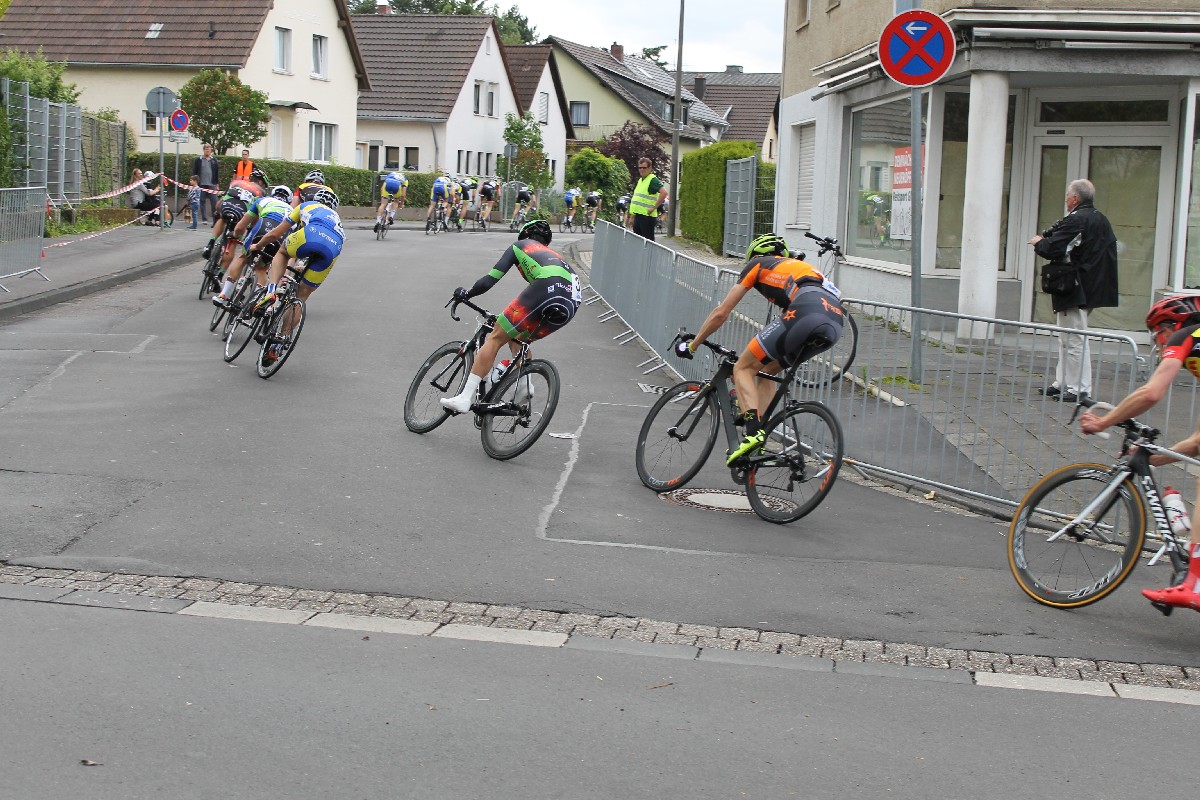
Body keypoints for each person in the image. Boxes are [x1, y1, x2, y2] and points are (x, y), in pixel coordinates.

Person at [675, 233, 845, 465]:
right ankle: (759, 437)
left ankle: (753, 434)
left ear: (756, 255)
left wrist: (693, 345)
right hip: (834, 323)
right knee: (766, 371)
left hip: (807, 312)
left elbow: (721, 313)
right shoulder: (799, 269)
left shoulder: (758, 264)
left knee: (742, 368)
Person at [1080, 294, 1200, 612]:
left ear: (1171, 325)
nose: (1158, 341)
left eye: (1157, 331)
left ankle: (1195, 583)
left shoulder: (1186, 335)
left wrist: (1103, 421)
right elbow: (1197, 442)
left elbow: (1151, 392)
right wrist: (1151, 458)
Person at [440, 219, 581, 414]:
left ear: (525, 235)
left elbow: (488, 281)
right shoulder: (554, 257)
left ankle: (464, 398)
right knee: (518, 338)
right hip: (572, 302)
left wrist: (467, 293)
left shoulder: (520, 246)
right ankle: (525, 385)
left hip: (547, 287)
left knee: (496, 336)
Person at [1028, 178, 1119, 403]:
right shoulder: (1100, 219)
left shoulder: (1078, 219)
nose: (1066, 200)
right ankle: (1063, 382)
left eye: (1068, 196)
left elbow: (1053, 248)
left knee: (1074, 339)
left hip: (1075, 286)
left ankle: (1079, 388)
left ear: (1075, 198)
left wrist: (1039, 242)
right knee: (1068, 337)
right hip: (1092, 286)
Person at [249, 188, 345, 364]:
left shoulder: (306, 205)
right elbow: (322, 247)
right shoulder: (337, 220)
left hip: (311, 234)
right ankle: (277, 345)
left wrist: (258, 245)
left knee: (282, 252)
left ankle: (271, 292)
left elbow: (275, 234)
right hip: (334, 246)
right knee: (301, 297)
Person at [212, 185, 293, 307]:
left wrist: (235, 235)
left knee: (243, 257)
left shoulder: (263, 200)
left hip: (263, 226)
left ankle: (223, 295)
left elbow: (241, 226)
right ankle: (254, 301)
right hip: (281, 236)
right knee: (262, 268)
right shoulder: (292, 210)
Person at [201, 167, 268, 261]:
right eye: (264, 186)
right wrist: (250, 230)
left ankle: (210, 244)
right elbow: (255, 215)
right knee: (234, 241)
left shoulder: (236, 182)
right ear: (261, 182)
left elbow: (219, 203)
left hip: (226, 207)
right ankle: (222, 270)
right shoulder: (261, 192)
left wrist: (218, 213)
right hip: (241, 213)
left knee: (222, 219)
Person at [626, 157, 668, 241]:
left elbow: (664, 193)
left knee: (648, 243)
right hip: (638, 216)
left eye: (644, 168)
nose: (641, 170)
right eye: (640, 168)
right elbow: (638, 200)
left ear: (650, 168)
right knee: (638, 242)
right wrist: (632, 217)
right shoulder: (641, 180)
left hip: (647, 217)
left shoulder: (652, 180)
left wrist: (654, 207)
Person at [192, 144, 220, 223]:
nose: (207, 151)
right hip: (201, 184)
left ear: (211, 151)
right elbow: (195, 172)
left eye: (209, 149)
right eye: (206, 149)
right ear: (204, 150)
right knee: (202, 200)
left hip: (212, 184)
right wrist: (195, 183)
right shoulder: (198, 160)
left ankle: (215, 219)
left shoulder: (214, 160)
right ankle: (204, 218)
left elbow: (216, 172)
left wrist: (217, 184)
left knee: (214, 202)